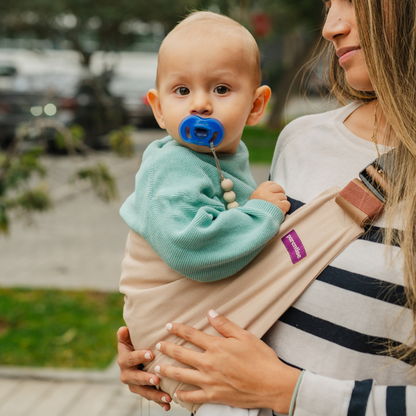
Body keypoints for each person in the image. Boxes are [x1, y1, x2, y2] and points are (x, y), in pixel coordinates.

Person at [117, 0, 416, 415]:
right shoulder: (301, 142)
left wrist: (290, 392)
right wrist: (162, 345)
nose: (330, 27)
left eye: (353, 0)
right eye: (328, 4)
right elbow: (256, 277)